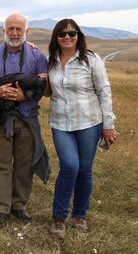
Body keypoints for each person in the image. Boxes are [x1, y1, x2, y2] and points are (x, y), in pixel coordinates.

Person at [46, 19, 118, 239]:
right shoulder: (51, 61)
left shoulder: (91, 59)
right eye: (62, 34)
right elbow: (48, 91)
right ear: (56, 37)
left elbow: (104, 91)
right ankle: (59, 218)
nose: (67, 37)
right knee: (69, 166)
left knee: (84, 170)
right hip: (61, 123)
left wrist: (108, 124)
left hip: (89, 122)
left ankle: (79, 215)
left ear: (78, 36)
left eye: (72, 33)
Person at [0, 13, 50, 228]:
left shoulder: (37, 57)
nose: (14, 33)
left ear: (26, 32)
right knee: (0, 164)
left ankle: (19, 206)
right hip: (0, 119)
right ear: (4, 31)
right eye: (10, 28)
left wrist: (23, 96)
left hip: (27, 118)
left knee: (24, 164)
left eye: (19, 29)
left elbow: (46, 87)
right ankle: (1, 207)